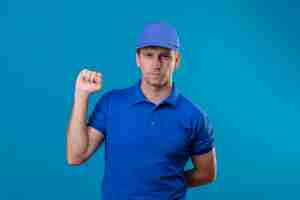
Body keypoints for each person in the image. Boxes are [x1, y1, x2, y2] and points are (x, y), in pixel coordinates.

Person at [67, 22, 217, 200]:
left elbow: (207, 173)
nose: (156, 64)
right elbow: (76, 156)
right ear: (138, 59)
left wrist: (166, 184)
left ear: (176, 61)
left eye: (164, 56)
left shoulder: (194, 116)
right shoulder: (112, 103)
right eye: (149, 55)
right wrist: (81, 95)